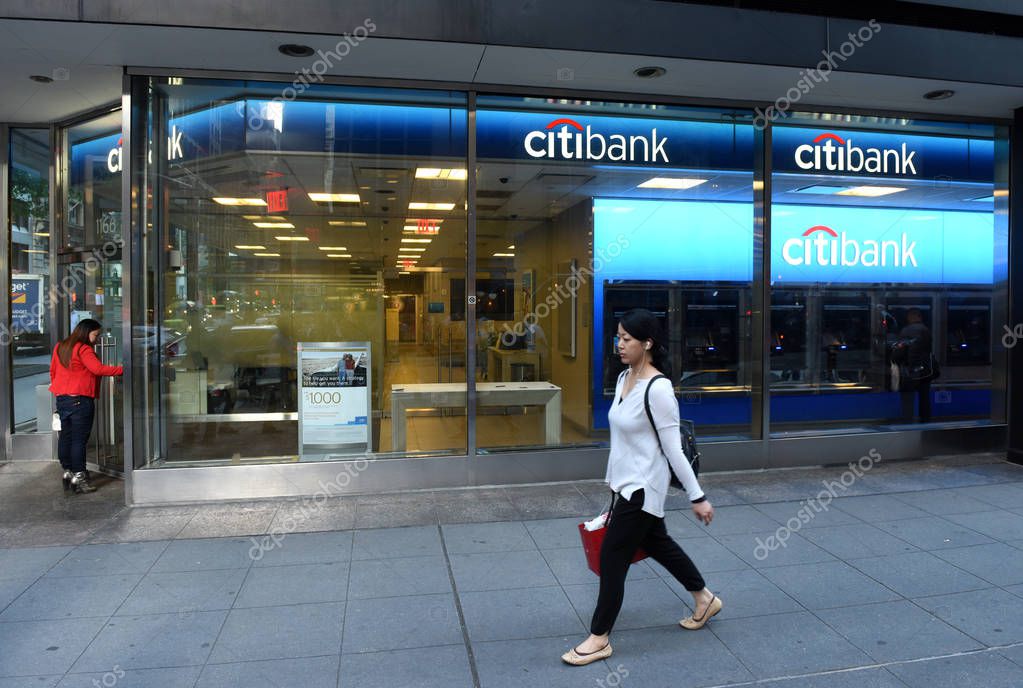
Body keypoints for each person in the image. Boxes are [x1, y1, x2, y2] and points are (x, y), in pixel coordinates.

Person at [562, 308, 720, 666]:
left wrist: (697, 496)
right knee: (658, 544)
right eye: (618, 337)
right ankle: (704, 598)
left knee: (612, 559)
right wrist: (614, 479)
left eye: (627, 339)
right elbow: (625, 438)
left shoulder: (658, 389)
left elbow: (673, 450)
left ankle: (599, 638)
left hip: (644, 487)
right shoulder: (624, 378)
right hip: (626, 485)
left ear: (647, 343)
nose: (619, 344)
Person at [49, 319, 124, 494]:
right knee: (79, 440)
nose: (97, 339)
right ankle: (80, 476)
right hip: (80, 400)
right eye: (95, 335)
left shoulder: (60, 346)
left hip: (62, 399)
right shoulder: (83, 349)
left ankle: (68, 471)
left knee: (65, 436)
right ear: (86, 332)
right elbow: (98, 369)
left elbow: (52, 371)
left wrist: (62, 389)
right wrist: (123, 369)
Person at [893, 308, 933, 423]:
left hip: (909, 370)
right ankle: (925, 422)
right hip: (925, 370)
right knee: (924, 398)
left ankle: (908, 422)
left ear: (911, 317)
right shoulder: (926, 330)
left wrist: (895, 360)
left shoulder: (906, 330)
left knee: (907, 399)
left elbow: (900, 352)